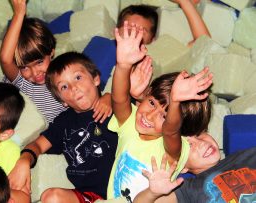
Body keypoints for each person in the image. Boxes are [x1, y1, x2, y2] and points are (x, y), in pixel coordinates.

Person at [107, 20, 213, 201]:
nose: (149, 115)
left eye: (164, 116)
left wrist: (176, 102)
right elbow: (119, 99)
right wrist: (123, 65)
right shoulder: (130, 125)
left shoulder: (173, 150)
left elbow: (171, 129)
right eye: (152, 103)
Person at [8, 52, 118, 203]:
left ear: (96, 78)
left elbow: (138, 101)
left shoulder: (116, 106)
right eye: (64, 87)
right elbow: (38, 145)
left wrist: (111, 97)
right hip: (88, 197)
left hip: (123, 188)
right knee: (50, 197)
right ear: (62, 101)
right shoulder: (64, 122)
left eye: (78, 77)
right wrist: (24, 160)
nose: (74, 88)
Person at [0, 0, 111, 124]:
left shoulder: (63, 79)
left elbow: (92, 90)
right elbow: (5, 59)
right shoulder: (22, 82)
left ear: (51, 52)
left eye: (39, 62)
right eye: (25, 67)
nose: (35, 72)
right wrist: (19, 13)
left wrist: (108, 98)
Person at [103, 0, 211, 96]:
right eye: (128, 28)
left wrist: (185, 3)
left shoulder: (157, 56)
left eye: (142, 31)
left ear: (153, 39)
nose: (133, 33)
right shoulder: (103, 48)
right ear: (115, 31)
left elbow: (203, 41)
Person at [133, 146, 256, 203]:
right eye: (189, 146)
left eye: (201, 134)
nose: (201, 143)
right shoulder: (188, 188)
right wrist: (152, 192)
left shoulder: (245, 155)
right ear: (183, 167)